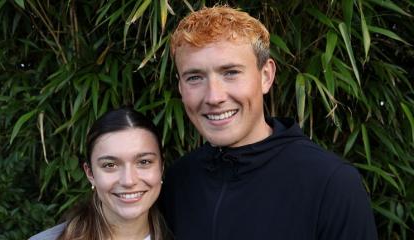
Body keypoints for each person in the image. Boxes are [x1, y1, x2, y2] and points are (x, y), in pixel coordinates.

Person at [161, 5, 378, 240]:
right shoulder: (177, 183)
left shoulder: (331, 183)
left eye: (231, 73)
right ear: (180, 87)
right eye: (194, 77)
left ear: (266, 76)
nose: (214, 97)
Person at [30, 107, 171, 240]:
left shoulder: (186, 233)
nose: (128, 181)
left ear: (161, 167)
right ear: (90, 174)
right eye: (110, 165)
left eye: (144, 162)